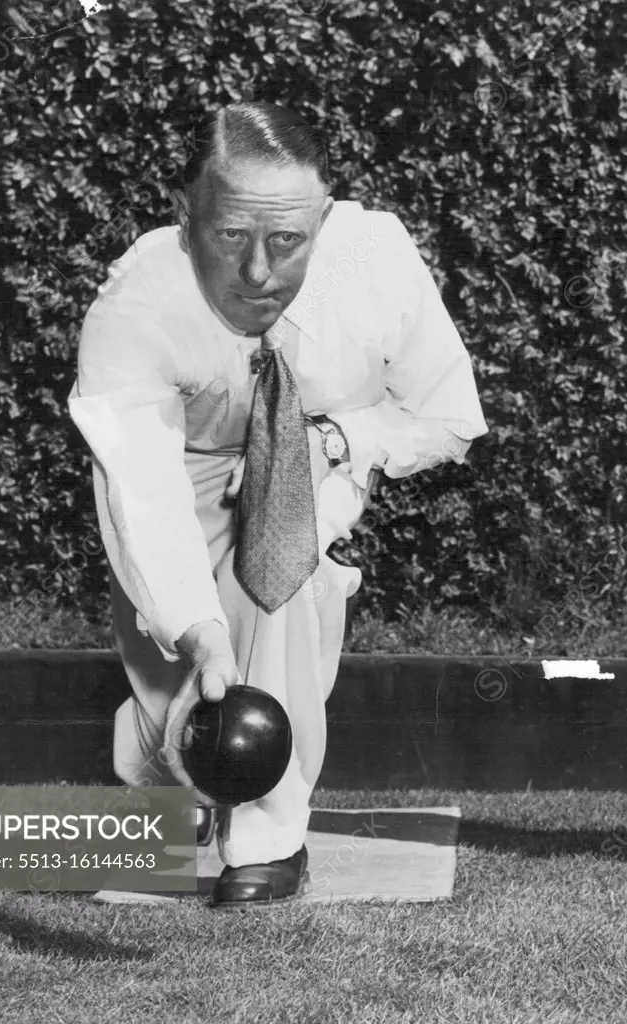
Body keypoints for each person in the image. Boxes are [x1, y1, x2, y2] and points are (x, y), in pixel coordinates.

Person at [68, 101, 488, 907]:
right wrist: (201, 634)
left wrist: (334, 442)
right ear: (184, 217)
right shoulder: (135, 304)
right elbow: (144, 492)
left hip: (317, 444)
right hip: (178, 457)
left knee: (287, 588)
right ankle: (166, 768)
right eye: (230, 236)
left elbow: (449, 416)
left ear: (322, 220)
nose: (258, 271)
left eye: (286, 240)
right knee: (178, 661)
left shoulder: (377, 258)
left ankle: (267, 838)